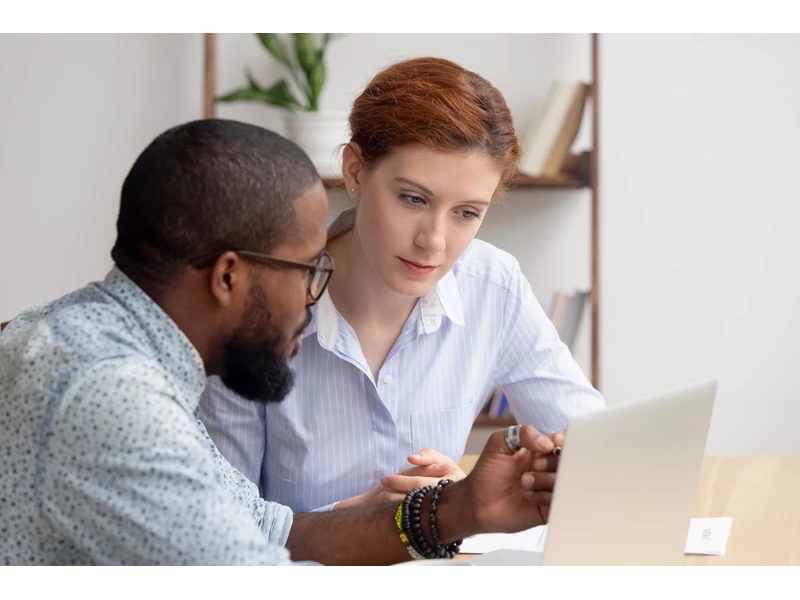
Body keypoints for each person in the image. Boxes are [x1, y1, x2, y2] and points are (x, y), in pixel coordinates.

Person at [0, 117, 564, 568]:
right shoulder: (107, 392)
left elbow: (271, 530)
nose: (314, 297)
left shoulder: (109, 348)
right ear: (227, 277)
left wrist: (458, 509)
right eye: (307, 268)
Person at [199, 56, 606, 513]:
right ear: (355, 172)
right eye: (413, 199)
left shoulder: (493, 286)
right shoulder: (254, 308)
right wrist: (382, 522)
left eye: (467, 213)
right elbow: (216, 526)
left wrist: (466, 500)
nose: (434, 241)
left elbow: (596, 452)